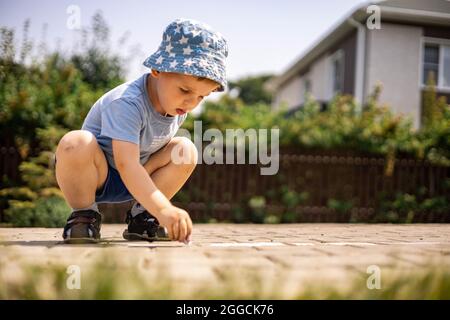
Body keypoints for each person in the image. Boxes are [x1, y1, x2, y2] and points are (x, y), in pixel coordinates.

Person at [54, 18, 228, 244]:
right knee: (75, 142)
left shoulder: (176, 105)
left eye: (201, 96)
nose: (191, 102)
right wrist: (164, 209)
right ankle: (84, 216)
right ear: (157, 69)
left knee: (185, 149)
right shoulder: (127, 103)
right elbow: (127, 164)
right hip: (97, 175)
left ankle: (143, 217)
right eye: (185, 89)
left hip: (138, 175)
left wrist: (154, 204)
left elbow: (149, 158)